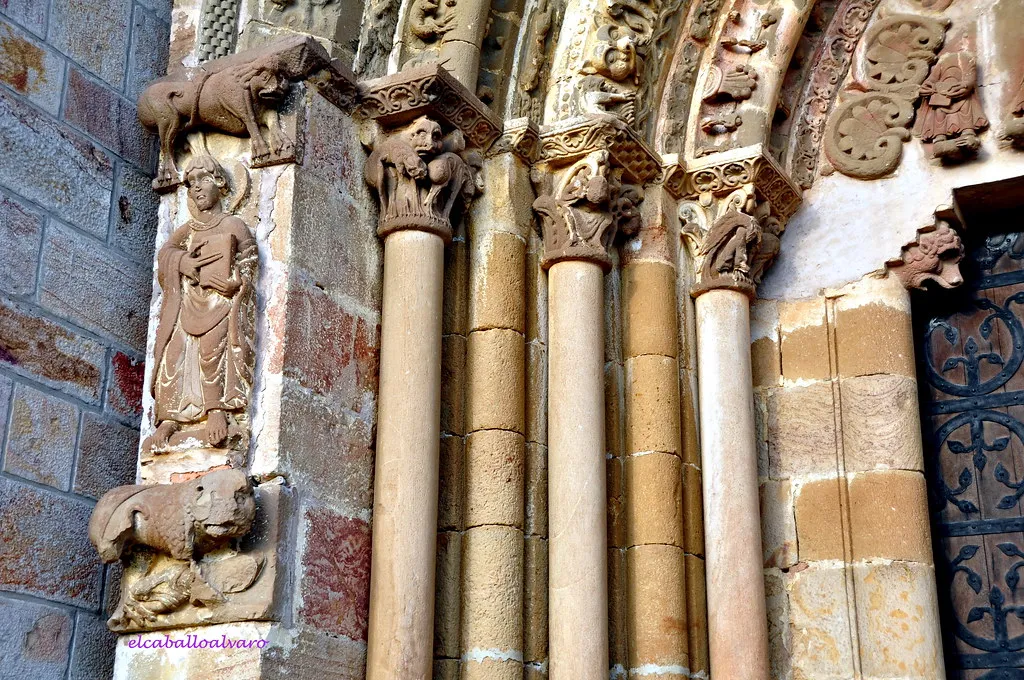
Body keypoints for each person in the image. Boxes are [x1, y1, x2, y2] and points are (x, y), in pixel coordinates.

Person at [149, 155, 257, 451]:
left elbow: (249, 262)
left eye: (203, 181)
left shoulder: (234, 225)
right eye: (190, 184)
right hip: (189, 301)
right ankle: (170, 419)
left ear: (220, 184)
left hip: (219, 303)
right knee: (175, 355)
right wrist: (184, 263)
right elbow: (166, 255)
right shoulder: (190, 229)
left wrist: (237, 282)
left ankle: (216, 410)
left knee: (213, 353)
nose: (196, 189)